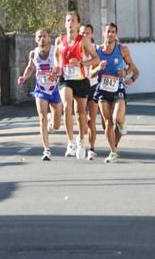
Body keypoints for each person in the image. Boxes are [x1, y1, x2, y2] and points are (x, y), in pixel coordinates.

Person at [54, 11, 99, 159]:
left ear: (78, 23)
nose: (70, 23)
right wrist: (57, 67)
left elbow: (96, 59)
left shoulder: (84, 40)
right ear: (65, 23)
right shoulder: (59, 40)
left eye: (73, 20)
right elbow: (56, 56)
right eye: (68, 20)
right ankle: (70, 142)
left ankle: (81, 141)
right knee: (67, 106)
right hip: (65, 78)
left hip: (80, 79)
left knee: (80, 113)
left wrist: (80, 63)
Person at [92, 23, 139, 163]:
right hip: (102, 90)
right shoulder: (97, 51)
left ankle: (122, 125)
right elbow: (91, 74)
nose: (110, 34)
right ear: (103, 33)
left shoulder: (122, 50)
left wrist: (125, 72)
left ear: (116, 34)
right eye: (108, 31)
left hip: (117, 89)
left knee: (116, 118)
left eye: (113, 32)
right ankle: (113, 151)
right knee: (108, 123)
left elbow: (132, 67)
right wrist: (98, 68)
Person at [17, 28, 63, 161]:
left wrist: (56, 74)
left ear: (49, 38)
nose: (42, 39)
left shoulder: (55, 51)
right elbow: (31, 67)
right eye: (39, 36)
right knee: (41, 117)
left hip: (55, 90)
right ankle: (46, 150)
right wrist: (24, 77)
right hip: (41, 89)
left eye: (44, 36)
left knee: (56, 125)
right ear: (36, 39)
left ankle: (51, 122)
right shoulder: (34, 53)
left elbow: (60, 66)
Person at [81, 24, 100, 160]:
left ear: (92, 34)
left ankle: (91, 149)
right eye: (82, 33)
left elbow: (95, 71)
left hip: (93, 86)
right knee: (81, 118)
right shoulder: (75, 48)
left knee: (92, 120)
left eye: (87, 33)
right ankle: (81, 142)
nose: (85, 35)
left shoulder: (96, 50)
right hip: (80, 85)